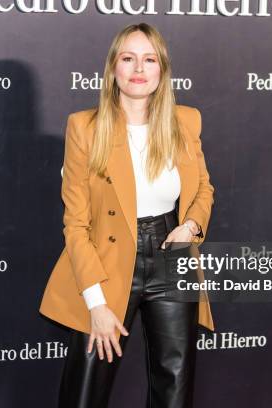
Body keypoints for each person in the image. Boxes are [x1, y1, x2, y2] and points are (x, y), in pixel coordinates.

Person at [39, 22, 215, 408]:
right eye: (129, 58)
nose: (139, 68)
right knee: (84, 393)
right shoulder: (84, 127)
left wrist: (191, 225)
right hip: (105, 264)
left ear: (162, 69)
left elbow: (203, 188)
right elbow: (76, 223)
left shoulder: (186, 122)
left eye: (149, 59)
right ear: (113, 68)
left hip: (172, 256)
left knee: (175, 388)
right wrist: (96, 303)